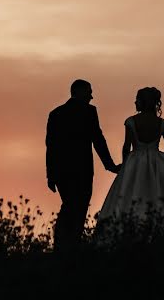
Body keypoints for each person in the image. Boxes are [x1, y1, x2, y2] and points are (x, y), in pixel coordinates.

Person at [97, 86, 164, 235]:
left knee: (130, 192)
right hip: (159, 163)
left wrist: (125, 165)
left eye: (137, 100)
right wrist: (160, 159)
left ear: (143, 102)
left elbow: (126, 146)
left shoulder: (131, 121)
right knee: (162, 193)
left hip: (135, 161)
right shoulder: (162, 123)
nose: (135, 102)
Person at [46, 79, 120, 250]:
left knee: (69, 207)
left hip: (62, 172)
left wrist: (51, 175)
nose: (92, 96)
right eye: (89, 92)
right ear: (78, 92)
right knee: (77, 209)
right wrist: (110, 165)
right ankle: (70, 245)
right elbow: (98, 139)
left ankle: (63, 245)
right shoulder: (89, 112)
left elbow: (51, 147)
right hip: (82, 169)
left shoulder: (56, 114)